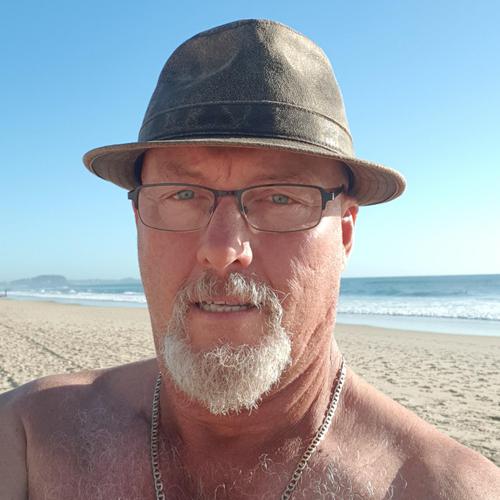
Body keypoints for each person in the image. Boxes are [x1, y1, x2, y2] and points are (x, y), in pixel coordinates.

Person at [1, 19, 498, 499]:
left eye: (280, 197)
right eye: (182, 195)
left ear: (345, 233)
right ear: (138, 222)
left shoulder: (445, 488)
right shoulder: (27, 438)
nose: (222, 250)